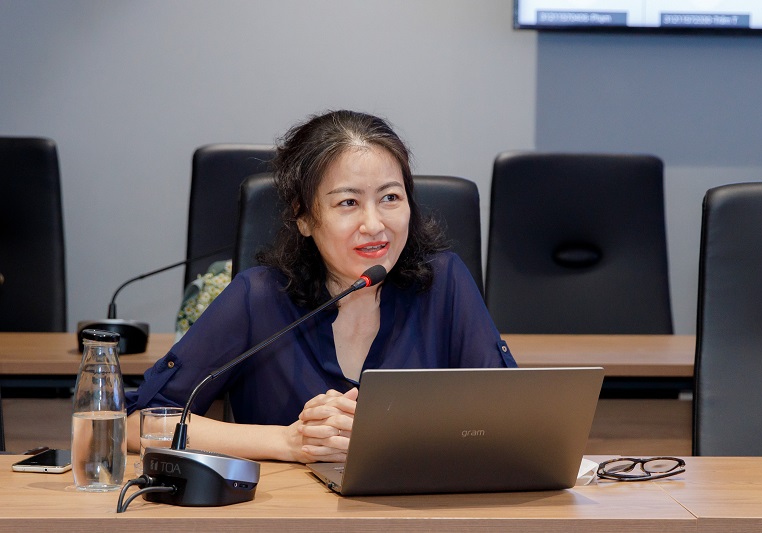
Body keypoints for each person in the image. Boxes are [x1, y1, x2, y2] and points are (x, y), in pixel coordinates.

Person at [126, 110, 516, 463]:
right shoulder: (258, 299)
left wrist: (387, 435)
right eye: (348, 202)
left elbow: (510, 416)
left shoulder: (443, 281)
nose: (375, 224)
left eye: (390, 198)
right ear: (304, 218)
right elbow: (137, 421)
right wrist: (290, 442)